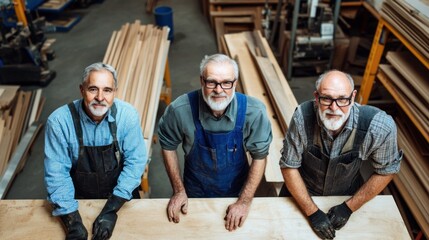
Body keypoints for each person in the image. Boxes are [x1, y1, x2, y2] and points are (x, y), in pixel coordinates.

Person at [279, 70, 402, 239]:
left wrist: (348, 207)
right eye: (326, 99)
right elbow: (289, 166)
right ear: (316, 97)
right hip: (304, 191)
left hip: (348, 193)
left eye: (342, 99)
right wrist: (312, 212)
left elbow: (387, 170)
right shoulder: (303, 117)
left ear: (353, 97)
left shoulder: (379, 126)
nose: (334, 108)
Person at [158, 54, 272, 231]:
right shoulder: (180, 110)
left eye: (226, 82)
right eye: (211, 82)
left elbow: (259, 156)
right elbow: (167, 146)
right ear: (202, 81)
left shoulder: (254, 112)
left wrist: (244, 201)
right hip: (194, 190)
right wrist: (179, 191)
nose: (219, 90)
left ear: (235, 83)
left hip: (238, 189)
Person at [44, 62, 147, 240]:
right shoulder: (59, 122)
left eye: (107, 90)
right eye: (93, 89)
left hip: (119, 196)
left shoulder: (127, 116)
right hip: (77, 200)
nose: (100, 97)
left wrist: (111, 210)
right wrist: (73, 222)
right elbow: (57, 174)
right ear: (82, 89)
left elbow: (135, 163)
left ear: (114, 92)